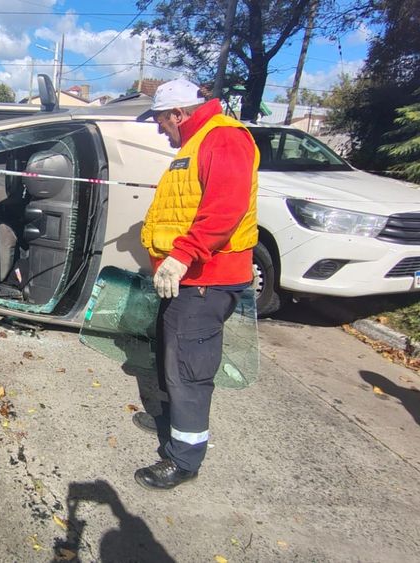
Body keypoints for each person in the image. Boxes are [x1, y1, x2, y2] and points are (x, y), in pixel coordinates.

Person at [132, 78, 259, 490]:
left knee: (188, 368)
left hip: (206, 278)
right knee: (171, 353)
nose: (157, 128)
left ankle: (184, 458)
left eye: (159, 119)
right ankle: (173, 422)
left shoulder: (223, 138)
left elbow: (226, 208)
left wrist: (184, 254)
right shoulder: (198, 140)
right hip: (188, 278)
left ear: (178, 113)